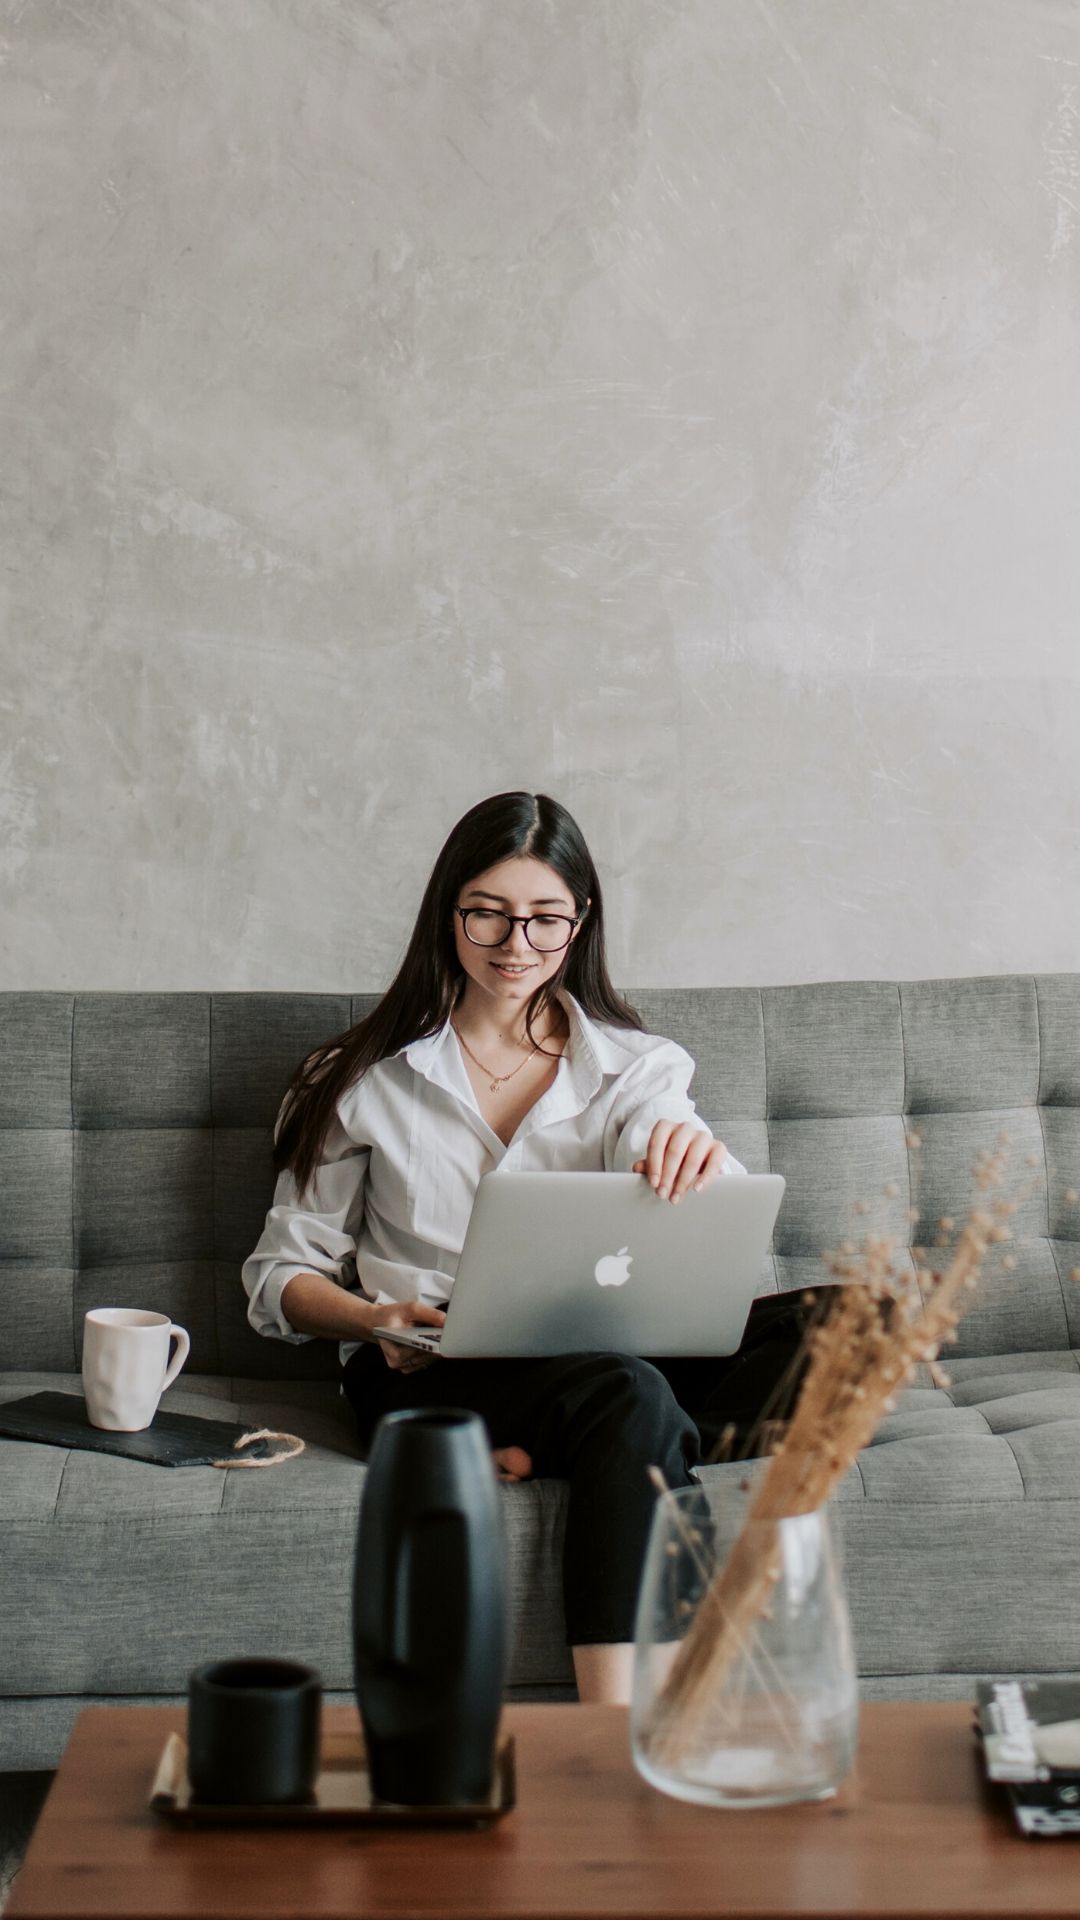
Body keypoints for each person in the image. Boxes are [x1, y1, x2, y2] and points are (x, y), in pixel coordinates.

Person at [241, 790, 814, 1706]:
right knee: (628, 1394)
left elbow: (666, 1133)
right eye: (489, 914)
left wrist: (692, 1155)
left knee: (847, 1326)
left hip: (600, 1354)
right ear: (448, 913)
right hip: (428, 1364)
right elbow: (279, 1278)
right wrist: (369, 1316)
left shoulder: (636, 1067)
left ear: (581, 924)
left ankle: (586, 1446)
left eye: (546, 920)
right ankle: (619, 1727)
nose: (517, 946)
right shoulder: (357, 1078)